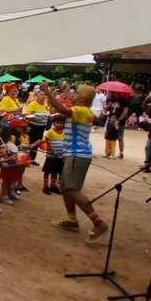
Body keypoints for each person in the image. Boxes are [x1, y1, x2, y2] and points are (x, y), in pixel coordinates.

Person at [40, 82, 110, 243]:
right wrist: (66, 92)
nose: (74, 95)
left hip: (76, 156)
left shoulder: (80, 111)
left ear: (83, 98)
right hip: (75, 155)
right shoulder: (85, 110)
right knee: (66, 187)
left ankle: (99, 224)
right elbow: (73, 103)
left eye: (77, 93)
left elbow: (63, 109)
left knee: (72, 189)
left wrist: (47, 92)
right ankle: (71, 220)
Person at [42, 115, 66, 195]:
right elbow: (45, 143)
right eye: (57, 122)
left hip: (60, 156)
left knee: (55, 172)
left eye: (61, 123)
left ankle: (53, 186)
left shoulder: (65, 133)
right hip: (51, 156)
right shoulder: (50, 132)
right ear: (53, 123)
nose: (59, 124)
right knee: (47, 171)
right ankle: (45, 186)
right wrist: (53, 150)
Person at [24, 90, 50, 164]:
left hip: (41, 127)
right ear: (36, 96)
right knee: (30, 141)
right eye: (41, 94)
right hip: (33, 126)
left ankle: (32, 158)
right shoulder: (33, 104)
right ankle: (26, 158)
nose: (43, 96)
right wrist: (36, 118)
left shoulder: (45, 104)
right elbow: (26, 115)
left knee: (38, 142)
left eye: (44, 94)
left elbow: (48, 113)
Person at [109, 92, 130, 158]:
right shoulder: (112, 99)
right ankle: (109, 151)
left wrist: (119, 119)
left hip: (120, 121)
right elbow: (110, 108)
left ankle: (121, 152)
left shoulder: (124, 100)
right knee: (110, 136)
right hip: (111, 120)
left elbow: (125, 111)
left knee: (120, 137)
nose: (116, 94)